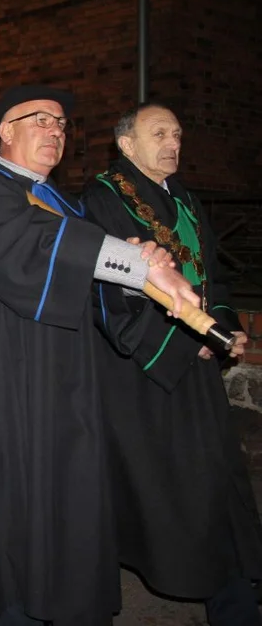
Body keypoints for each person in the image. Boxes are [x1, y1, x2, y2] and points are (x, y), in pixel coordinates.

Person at [0, 85, 201, 626]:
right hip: (4, 385)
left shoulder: (63, 202)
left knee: (67, 512)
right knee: (11, 518)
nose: (55, 130)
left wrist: (137, 270)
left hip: (66, 385)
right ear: (4, 132)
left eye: (61, 124)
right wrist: (132, 262)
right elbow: (24, 249)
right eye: (39, 120)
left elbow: (94, 284)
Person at [82, 103, 262, 623]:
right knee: (178, 489)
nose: (173, 142)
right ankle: (226, 592)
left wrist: (223, 328)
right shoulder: (103, 198)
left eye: (178, 133)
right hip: (148, 376)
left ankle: (235, 586)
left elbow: (212, 279)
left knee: (220, 477)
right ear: (126, 145)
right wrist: (190, 339)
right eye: (158, 133)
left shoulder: (182, 198)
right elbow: (112, 295)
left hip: (195, 366)